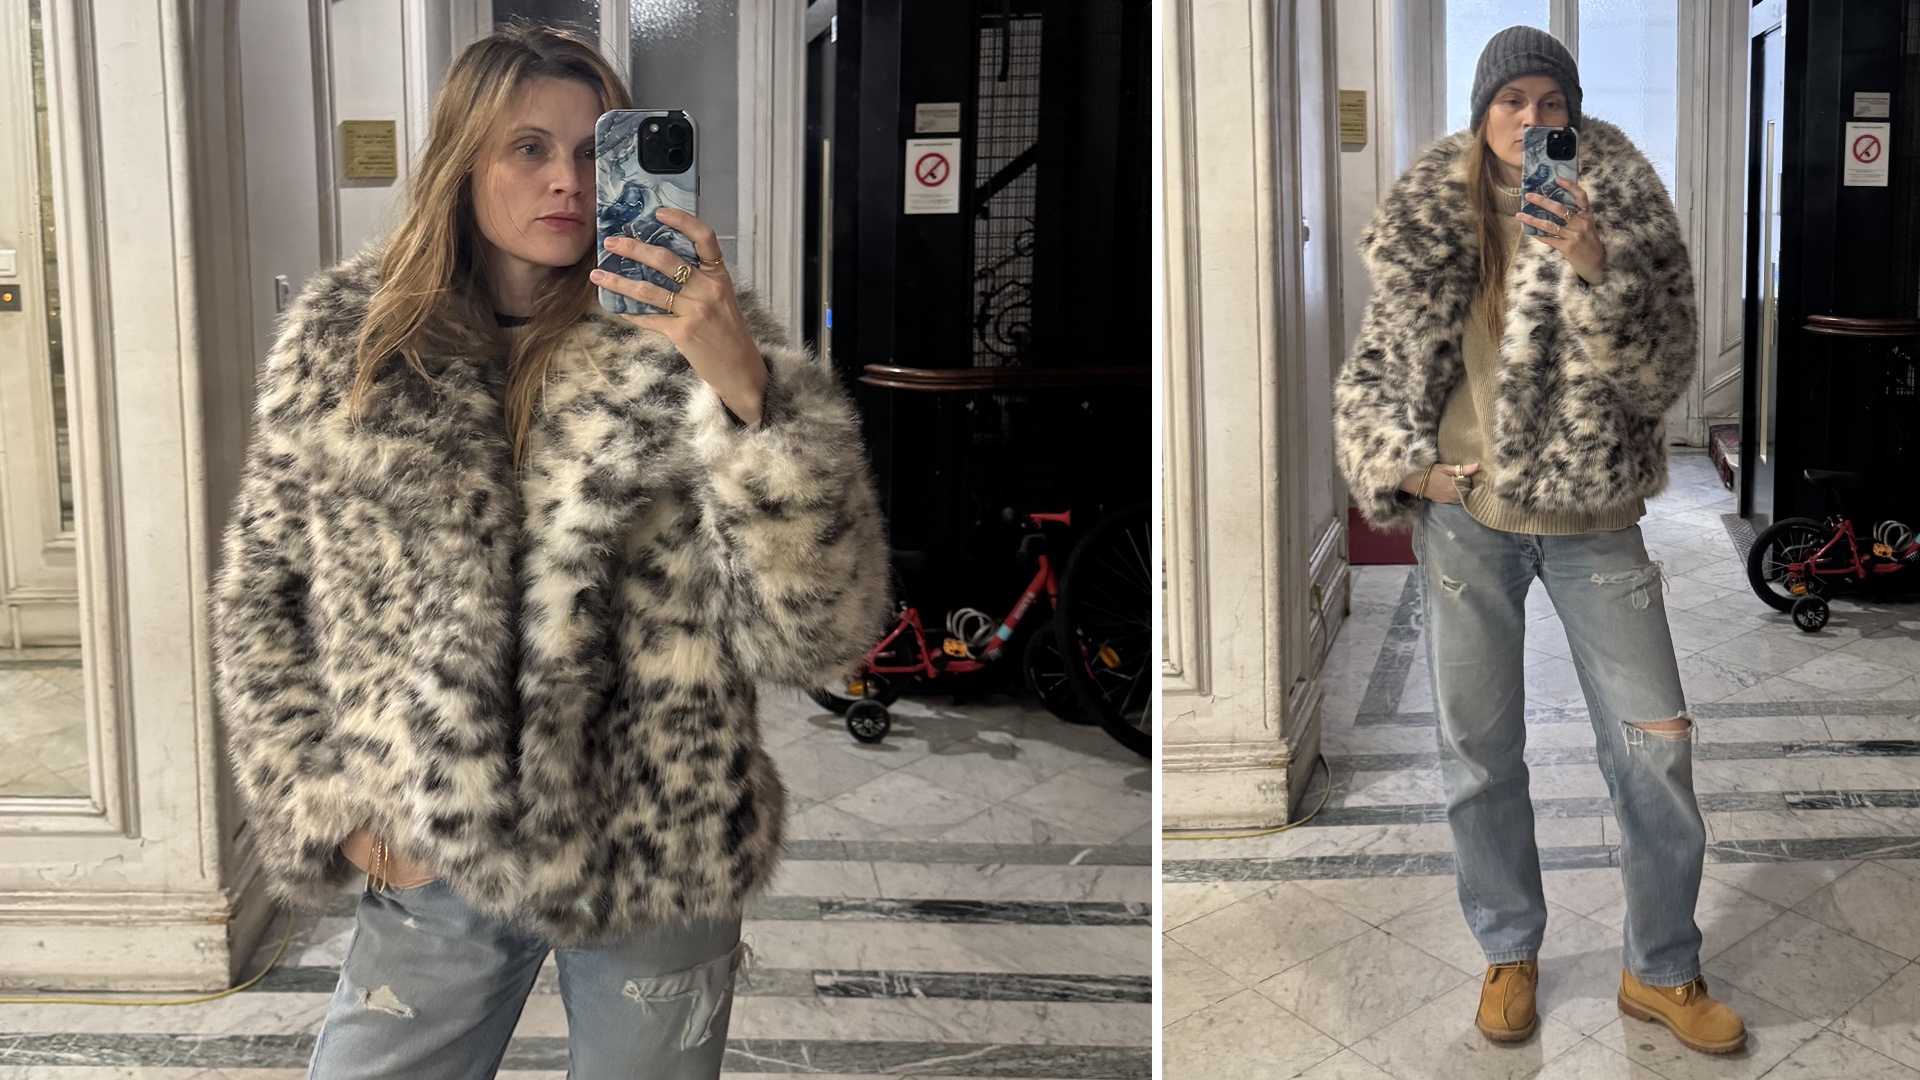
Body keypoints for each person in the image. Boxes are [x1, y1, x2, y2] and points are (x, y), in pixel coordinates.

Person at [210, 23, 888, 1080]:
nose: (568, 180)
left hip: (656, 851)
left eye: (593, 149)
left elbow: (814, 638)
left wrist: (750, 398)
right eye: (528, 147)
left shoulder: (700, 339)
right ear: (461, 161)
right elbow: (264, 592)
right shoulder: (352, 343)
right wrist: (327, 802)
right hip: (434, 846)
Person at [1332, 26, 1746, 1055]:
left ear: (1571, 111)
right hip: (1468, 521)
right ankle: (1509, 949)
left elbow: (1665, 376)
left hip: (1597, 521)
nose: (1531, 119)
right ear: (1483, 112)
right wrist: (1404, 466)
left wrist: (1596, 266)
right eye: (1511, 100)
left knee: (1655, 749)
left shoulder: (1626, 200)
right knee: (1478, 753)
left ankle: (1662, 968)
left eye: (1549, 102)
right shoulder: (1435, 210)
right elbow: (1380, 364)